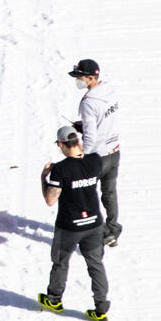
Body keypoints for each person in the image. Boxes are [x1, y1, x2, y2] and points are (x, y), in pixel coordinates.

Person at [38, 126, 110, 320]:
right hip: (94, 224)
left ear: (61, 144)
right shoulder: (94, 161)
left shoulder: (60, 169)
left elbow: (50, 200)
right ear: (78, 141)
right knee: (96, 265)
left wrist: (44, 177)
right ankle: (101, 309)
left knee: (60, 263)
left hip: (68, 227)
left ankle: (54, 300)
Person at [69, 59, 122, 247]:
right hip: (114, 150)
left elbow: (90, 137)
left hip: (98, 156)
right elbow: (105, 119)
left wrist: (81, 157)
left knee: (86, 196)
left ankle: (100, 234)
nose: (77, 80)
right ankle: (113, 229)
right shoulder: (110, 91)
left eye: (80, 77)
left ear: (91, 78)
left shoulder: (88, 103)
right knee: (109, 194)